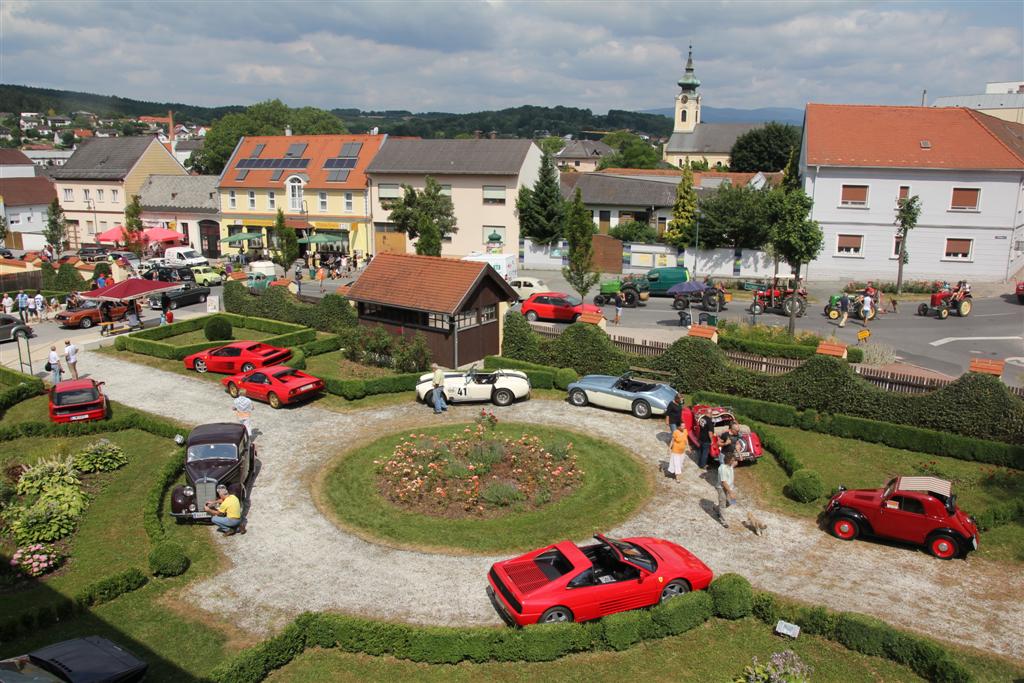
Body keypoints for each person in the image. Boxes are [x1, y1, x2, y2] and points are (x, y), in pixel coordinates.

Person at [715, 453, 738, 527]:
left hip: (729, 488)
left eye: (734, 460)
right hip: (722, 489)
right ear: (728, 460)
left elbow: (736, 463)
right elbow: (724, 482)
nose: (734, 462)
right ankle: (723, 521)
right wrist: (731, 492)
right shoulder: (722, 468)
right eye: (733, 460)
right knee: (723, 505)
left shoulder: (730, 466)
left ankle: (716, 508)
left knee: (731, 502)